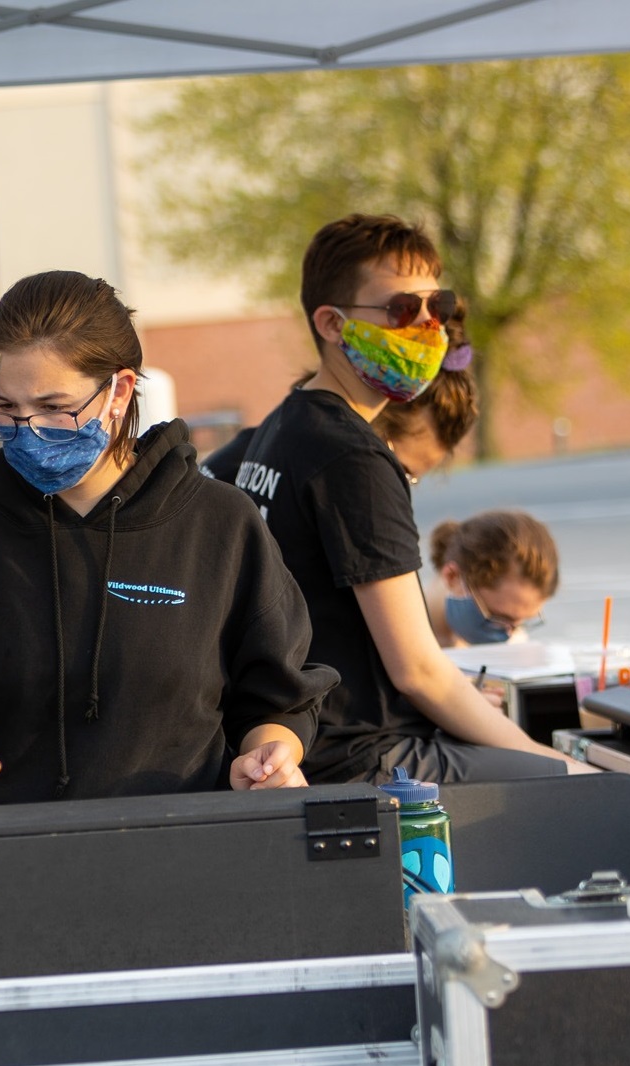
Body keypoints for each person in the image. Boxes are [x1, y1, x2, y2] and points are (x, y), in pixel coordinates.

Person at [0, 270, 337, 802]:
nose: (27, 432)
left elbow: (278, 697)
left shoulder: (220, 524)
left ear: (120, 389)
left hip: (183, 852)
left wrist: (270, 754)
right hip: (7, 862)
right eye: (4, 409)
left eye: (53, 408)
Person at [232, 213, 575, 786]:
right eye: (399, 310)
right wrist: (560, 766)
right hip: (364, 759)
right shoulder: (353, 458)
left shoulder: (284, 425)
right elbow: (419, 671)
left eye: (434, 307)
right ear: (333, 324)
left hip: (307, 741)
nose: (425, 326)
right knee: (596, 791)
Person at [201, 301, 477, 486]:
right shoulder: (304, 482)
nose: (397, 487)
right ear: (371, 404)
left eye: (409, 481)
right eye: (401, 471)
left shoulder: (266, 448)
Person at [424, 511, 559, 648]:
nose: (510, 634)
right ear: (452, 576)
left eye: (522, 622)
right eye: (499, 619)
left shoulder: (513, 640)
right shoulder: (406, 649)